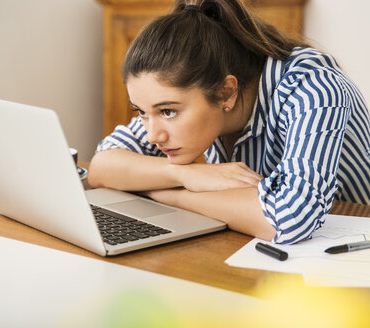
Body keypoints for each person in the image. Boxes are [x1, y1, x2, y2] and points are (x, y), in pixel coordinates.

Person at [88, 0, 370, 244]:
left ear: (226, 92)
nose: (152, 136)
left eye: (168, 112)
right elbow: (102, 167)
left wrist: (166, 192)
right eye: (141, 112)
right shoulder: (182, 93)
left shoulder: (314, 88)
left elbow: (288, 219)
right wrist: (185, 175)